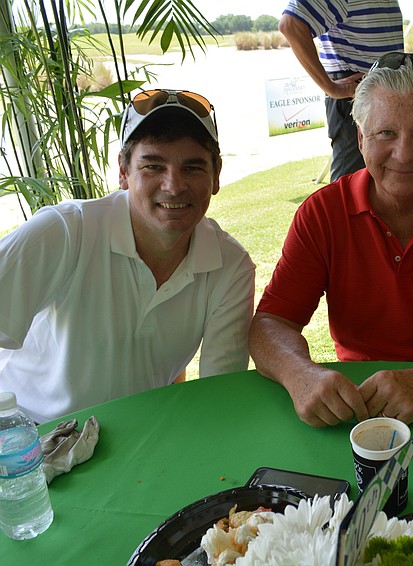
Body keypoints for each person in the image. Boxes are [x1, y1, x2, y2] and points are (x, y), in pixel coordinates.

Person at [249, 54, 413, 428]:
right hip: (359, 401)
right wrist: (300, 374)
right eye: (386, 133)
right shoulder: (323, 212)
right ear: (361, 139)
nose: (404, 154)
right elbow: (271, 322)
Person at [0, 89, 256, 423]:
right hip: (32, 434)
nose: (174, 185)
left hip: (139, 435)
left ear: (216, 174)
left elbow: (219, 394)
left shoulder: (232, 266)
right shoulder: (64, 231)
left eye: (192, 167)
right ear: (123, 171)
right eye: (153, 166)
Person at [279, 0, 403, 182]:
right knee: (349, 183)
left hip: (382, 93)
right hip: (356, 94)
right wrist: (331, 87)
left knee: (377, 181)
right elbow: (291, 24)